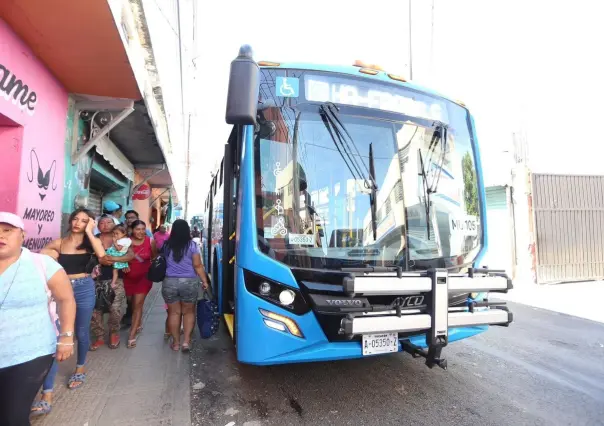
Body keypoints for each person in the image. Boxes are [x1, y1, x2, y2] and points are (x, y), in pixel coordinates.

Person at [0, 212, 76, 424]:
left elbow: (66, 299)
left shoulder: (42, 264)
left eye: (7, 230)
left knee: (12, 417)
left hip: (30, 353)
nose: (1, 236)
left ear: (22, 235)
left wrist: (66, 336)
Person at [30, 208, 106, 415]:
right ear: (70, 220)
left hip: (84, 288)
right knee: (56, 337)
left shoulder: (91, 243)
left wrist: (91, 230)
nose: (78, 223)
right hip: (61, 290)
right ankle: (47, 393)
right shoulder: (59, 243)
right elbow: (41, 262)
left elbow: (102, 256)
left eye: (84, 220)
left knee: (81, 332)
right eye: (75, 219)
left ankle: (80, 368)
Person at [162, 219, 209, 352]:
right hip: (189, 282)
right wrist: (204, 281)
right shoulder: (192, 245)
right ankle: (186, 342)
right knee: (188, 312)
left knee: (173, 313)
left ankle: (176, 343)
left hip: (169, 282)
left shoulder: (166, 245)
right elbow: (197, 265)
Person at [89, 216, 134, 351]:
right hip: (95, 280)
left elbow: (130, 255)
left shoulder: (121, 240)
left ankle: (114, 332)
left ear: (115, 224)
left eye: (109, 222)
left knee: (115, 308)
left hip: (115, 279)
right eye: (102, 222)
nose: (105, 225)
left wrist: (112, 259)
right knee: (95, 310)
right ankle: (99, 337)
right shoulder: (93, 239)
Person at [123, 219, 157, 348]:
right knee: (132, 303)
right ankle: (138, 322)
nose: (141, 232)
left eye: (143, 229)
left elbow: (154, 257)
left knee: (138, 304)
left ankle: (132, 335)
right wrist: (124, 264)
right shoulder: (126, 242)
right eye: (138, 229)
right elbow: (119, 256)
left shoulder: (150, 241)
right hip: (128, 278)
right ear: (132, 230)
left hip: (144, 278)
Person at [105, 224, 131, 289]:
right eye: (113, 233)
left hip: (117, 254)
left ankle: (113, 283)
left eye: (117, 233)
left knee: (115, 271)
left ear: (124, 233)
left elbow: (118, 249)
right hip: (114, 253)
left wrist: (114, 242)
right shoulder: (122, 239)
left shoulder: (125, 240)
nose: (115, 235)